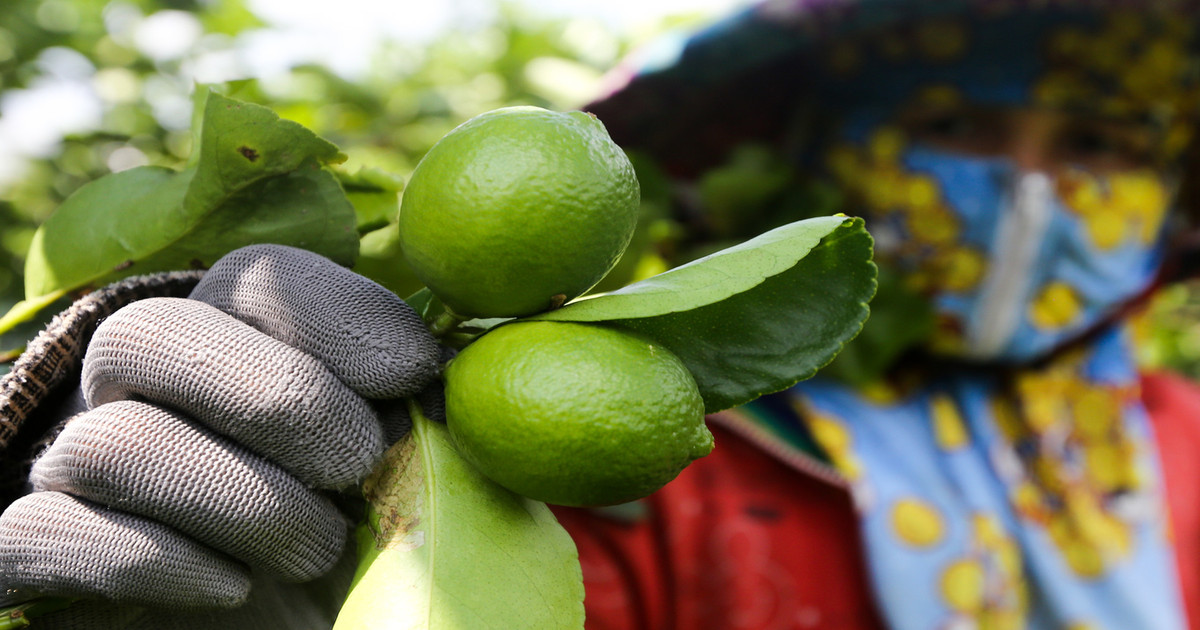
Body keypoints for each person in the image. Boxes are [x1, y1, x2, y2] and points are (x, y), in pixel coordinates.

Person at [1, 1, 1199, 630]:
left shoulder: (1187, 440)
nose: (1030, 191)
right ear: (823, 157)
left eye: (1098, 145)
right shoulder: (656, 485)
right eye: (958, 129)